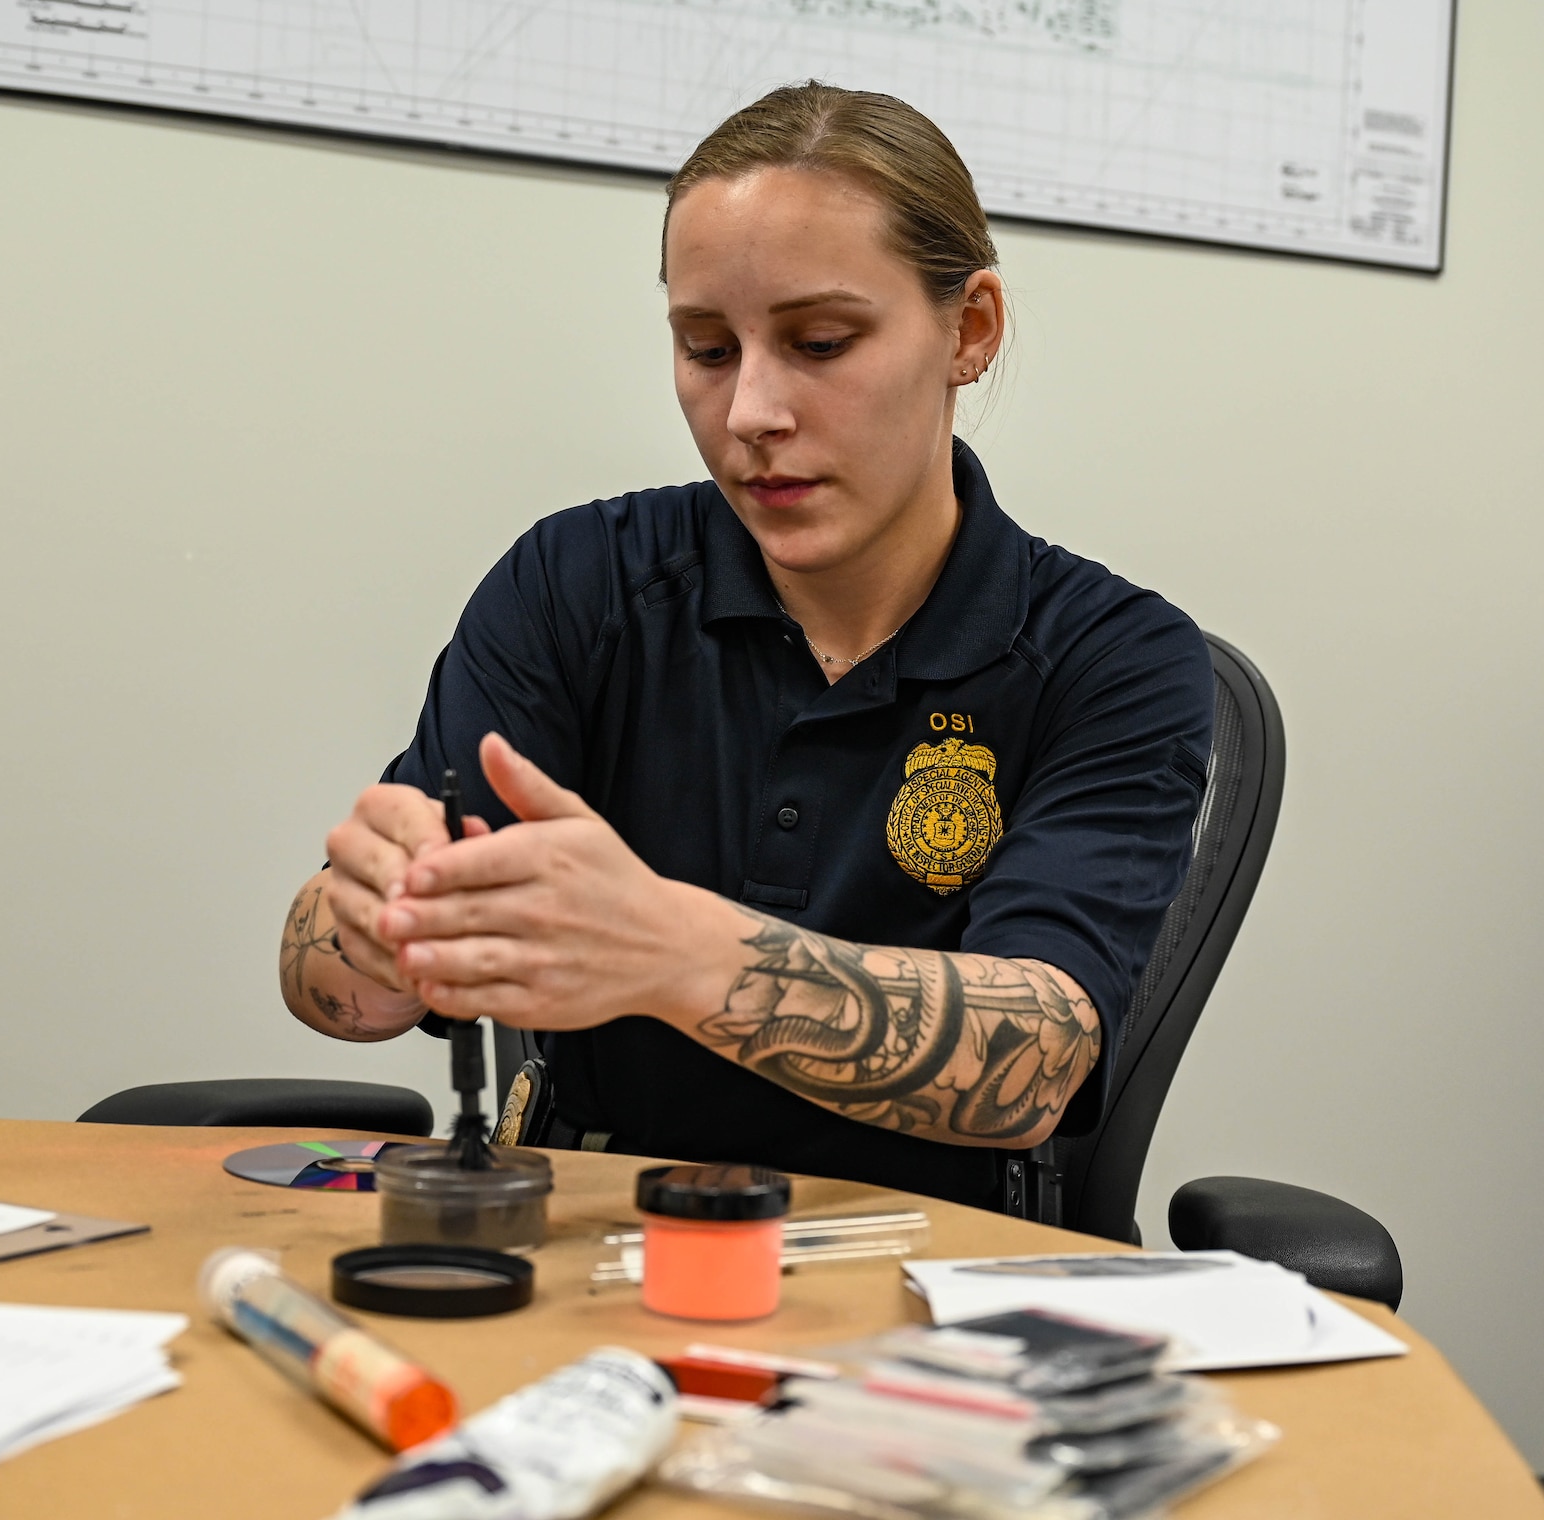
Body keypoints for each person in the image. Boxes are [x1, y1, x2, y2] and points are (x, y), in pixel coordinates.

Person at [277, 83, 1213, 1212]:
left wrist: (676, 949)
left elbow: (1036, 1057)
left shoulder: (1110, 656)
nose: (750, 411)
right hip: (591, 1216)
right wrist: (365, 921)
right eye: (706, 348)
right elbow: (340, 990)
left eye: (820, 342)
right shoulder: (577, 583)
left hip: (927, 1259)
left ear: (968, 330)